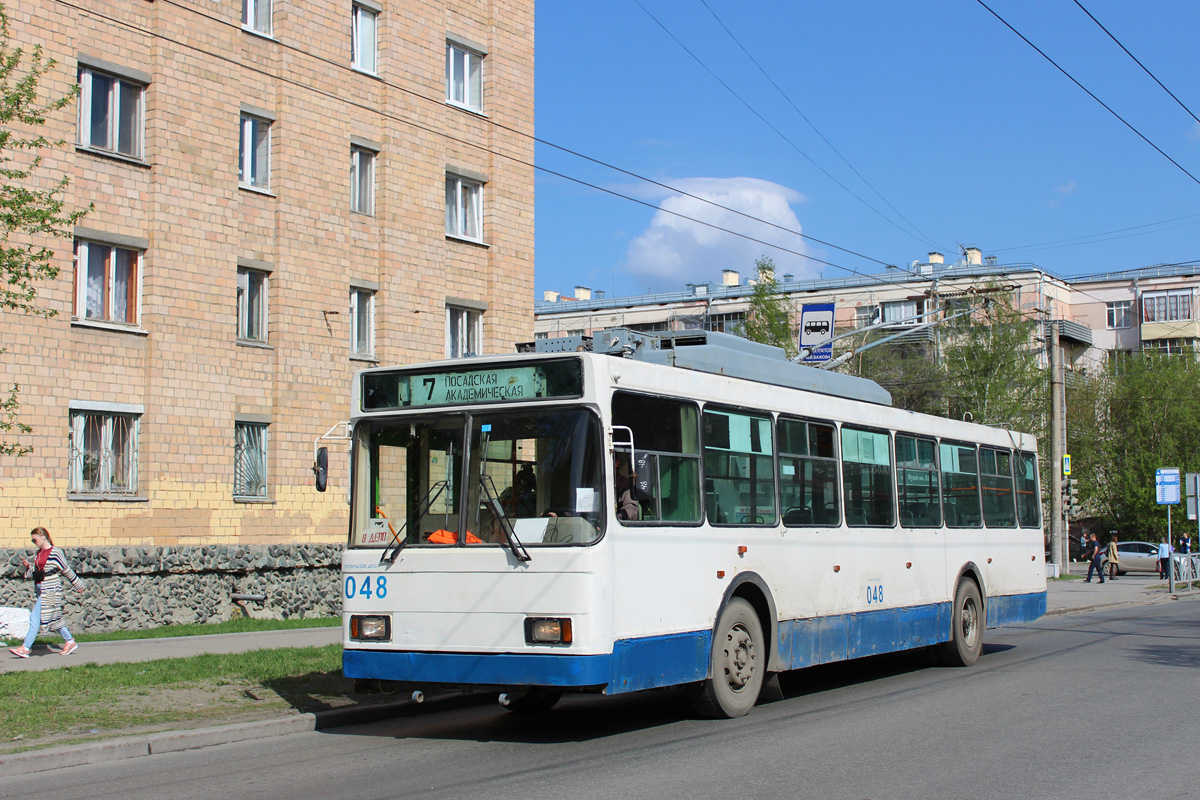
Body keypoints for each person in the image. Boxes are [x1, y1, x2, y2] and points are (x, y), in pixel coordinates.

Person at [9, 527, 84, 658]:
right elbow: (38, 571)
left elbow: (65, 569)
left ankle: (25, 647)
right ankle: (70, 641)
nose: (34, 542)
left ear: (43, 536)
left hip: (50, 590)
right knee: (54, 618)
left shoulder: (55, 552)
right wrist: (29, 567)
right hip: (40, 588)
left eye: (35, 539)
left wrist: (78, 584)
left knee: (35, 618)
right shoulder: (39, 553)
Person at [613, 452, 640, 521]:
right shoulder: (593, 485)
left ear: (616, 464)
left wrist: (618, 517)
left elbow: (632, 509)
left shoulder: (625, 484)